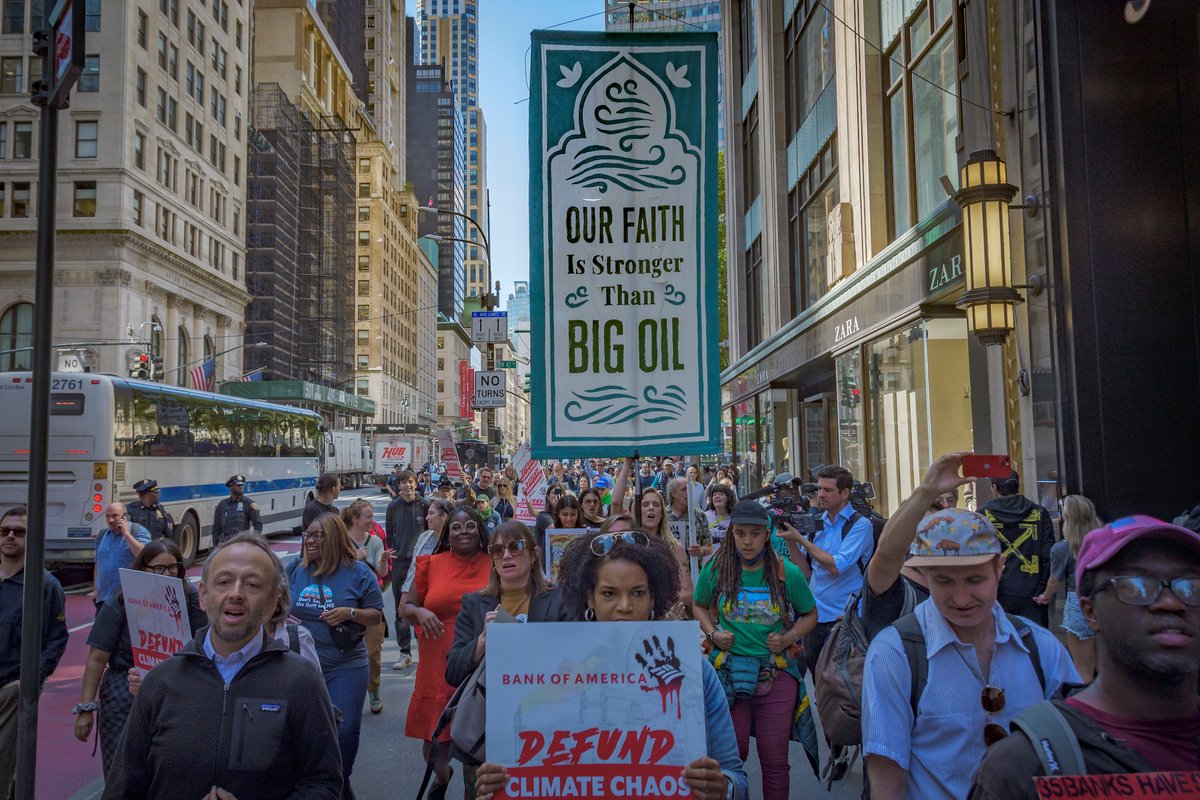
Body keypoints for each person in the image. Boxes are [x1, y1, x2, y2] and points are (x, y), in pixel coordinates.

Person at [474, 526, 750, 800]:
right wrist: (497, 785)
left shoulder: (693, 671)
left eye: (638, 593)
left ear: (654, 598)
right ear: (589, 598)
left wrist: (722, 788)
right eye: (609, 593)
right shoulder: (554, 671)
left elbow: (736, 777)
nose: (625, 605)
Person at [968, 515, 1200, 798]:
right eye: (1137, 586)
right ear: (1090, 611)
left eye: (1192, 586)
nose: (1170, 602)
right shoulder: (1025, 767)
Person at [102, 532, 343, 800]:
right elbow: (122, 788)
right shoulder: (160, 683)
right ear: (203, 595)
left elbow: (324, 784)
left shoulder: (302, 681)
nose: (236, 593)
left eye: (252, 584)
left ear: (271, 602)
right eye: (224, 582)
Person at [861, 508, 1078, 800]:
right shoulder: (894, 654)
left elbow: (1074, 754)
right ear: (924, 575)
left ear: (1000, 568)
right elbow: (887, 780)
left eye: (975, 580)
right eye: (944, 581)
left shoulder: (1040, 646)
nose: (961, 598)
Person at [693, 500, 818, 800]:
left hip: (775, 674)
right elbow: (698, 605)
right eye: (740, 534)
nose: (747, 541)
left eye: (754, 534)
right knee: (730, 757)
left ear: (767, 535)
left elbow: (810, 614)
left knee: (774, 760)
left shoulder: (786, 572)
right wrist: (713, 632)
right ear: (731, 534)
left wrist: (788, 639)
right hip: (727, 674)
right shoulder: (716, 568)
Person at [446, 521, 571, 793]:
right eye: (497, 549)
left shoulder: (560, 600)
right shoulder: (474, 603)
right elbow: (453, 672)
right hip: (489, 733)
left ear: (534, 554)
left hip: (549, 729)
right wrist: (481, 642)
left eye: (515, 547)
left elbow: (576, 664)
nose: (506, 556)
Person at [74, 539, 203, 776]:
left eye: (172, 567)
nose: (166, 574)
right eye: (158, 568)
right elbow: (97, 657)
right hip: (123, 694)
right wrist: (86, 708)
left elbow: (206, 652)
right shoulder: (122, 599)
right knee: (120, 771)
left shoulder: (192, 599)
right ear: (142, 568)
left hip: (177, 693)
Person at [287, 513, 385, 797]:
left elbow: (376, 615)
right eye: (308, 535)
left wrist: (350, 613)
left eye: (319, 535)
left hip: (345, 665)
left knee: (342, 732)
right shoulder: (295, 569)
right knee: (304, 736)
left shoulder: (358, 572)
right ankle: (326, 786)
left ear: (335, 539)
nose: (311, 540)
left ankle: (340, 781)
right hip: (301, 668)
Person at [404, 506, 491, 800]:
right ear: (447, 533)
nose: (463, 530)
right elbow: (406, 609)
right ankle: (442, 778)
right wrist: (421, 611)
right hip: (436, 663)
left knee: (476, 737)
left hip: (479, 663)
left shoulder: (496, 563)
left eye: (469, 526)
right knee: (434, 742)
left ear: (480, 531)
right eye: (456, 526)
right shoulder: (431, 563)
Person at [862, 453, 970, 641]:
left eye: (938, 528)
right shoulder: (891, 584)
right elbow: (887, 552)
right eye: (922, 529)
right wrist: (927, 491)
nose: (930, 536)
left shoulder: (960, 580)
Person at [780, 465, 875, 675]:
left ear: (845, 493)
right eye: (819, 489)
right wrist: (790, 541)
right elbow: (804, 570)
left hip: (846, 619)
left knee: (845, 685)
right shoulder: (817, 523)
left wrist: (800, 540)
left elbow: (837, 566)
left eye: (828, 490)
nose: (821, 495)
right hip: (815, 618)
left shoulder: (860, 525)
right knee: (819, 686)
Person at [1, 507, 68, 798]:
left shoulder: (44, 586)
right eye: (5, 531)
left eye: (20, 531)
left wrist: (29, 681)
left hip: (11, 690)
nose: (11, 536)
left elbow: (57, 639)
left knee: (3, 763)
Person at [1034, 494, 1102, 682]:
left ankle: (1086, 709)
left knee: (1082, 669)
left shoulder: (1063, 548)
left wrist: (1045, 596)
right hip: (1104, 601)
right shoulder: (1105, 541)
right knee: (1104, 668)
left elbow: (1055, 581)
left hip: (1078, 602)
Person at [981, 470, 1055, 627]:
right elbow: (1049, 556)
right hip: (1032, 593)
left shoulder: (981, 516)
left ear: (994, 488)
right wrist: (1042, 590)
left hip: (995, 593)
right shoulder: (1040, 513)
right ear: (1017, 485)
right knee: (1035, 644)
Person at [342, 500, 394, 714]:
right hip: (345, 603)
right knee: (344, 650)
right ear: (355, 519)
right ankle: (346, 692)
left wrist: (383, 561)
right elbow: (334, 569)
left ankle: (373, 689)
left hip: (370, 603)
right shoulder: (341, 541)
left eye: (373, 516)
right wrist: (355, 558)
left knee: (372, 651)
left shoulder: (374, 541)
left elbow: (381, 574)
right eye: (368, 517)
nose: (372, 521)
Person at [385, 469, 430, 670]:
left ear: (416, 483)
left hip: (422, 564)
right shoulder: (393, 507)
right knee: (401, 609)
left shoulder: (425, 504)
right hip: (401, 565)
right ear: (399, 485)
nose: (408, 486)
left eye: (410, 482)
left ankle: (425, 650)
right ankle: (405, 652)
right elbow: (390, 534)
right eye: (404, 483)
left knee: (424, 607)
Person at [94, 502, 151, 610]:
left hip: (129, 599)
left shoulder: (138, 532)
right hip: (104, 599)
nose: (110, 520)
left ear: (125, 517)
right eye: (107, 516)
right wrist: (95, 590)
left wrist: (127, 534)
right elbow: (98, 564)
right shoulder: (102, 535)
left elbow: (144, 556)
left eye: (115, 516)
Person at [667, 476, 713, 560]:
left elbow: (709, 547)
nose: (688, 492)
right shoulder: (663, 516)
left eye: (690, 489)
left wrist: (701, 550)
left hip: (693, 570)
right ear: (673, 493)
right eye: (683, 489)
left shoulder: (699, 516)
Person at [211, 474, 263, 546]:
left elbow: (258, 524)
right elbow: (216, 528)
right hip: (226, 545)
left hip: (242, 545)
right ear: (231, 486)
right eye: (238, 485)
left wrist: (253, 542)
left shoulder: (248, 504)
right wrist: (216, 546)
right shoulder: (222, 505)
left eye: (242, 485)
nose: (241, 487)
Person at [705, 483, 736, 552]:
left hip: (728, 558)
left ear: (728, 498)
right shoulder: (705, 516)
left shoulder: (735, 517)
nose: (717, 496)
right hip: (709, 560)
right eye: (714, 495)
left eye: (721, 494)